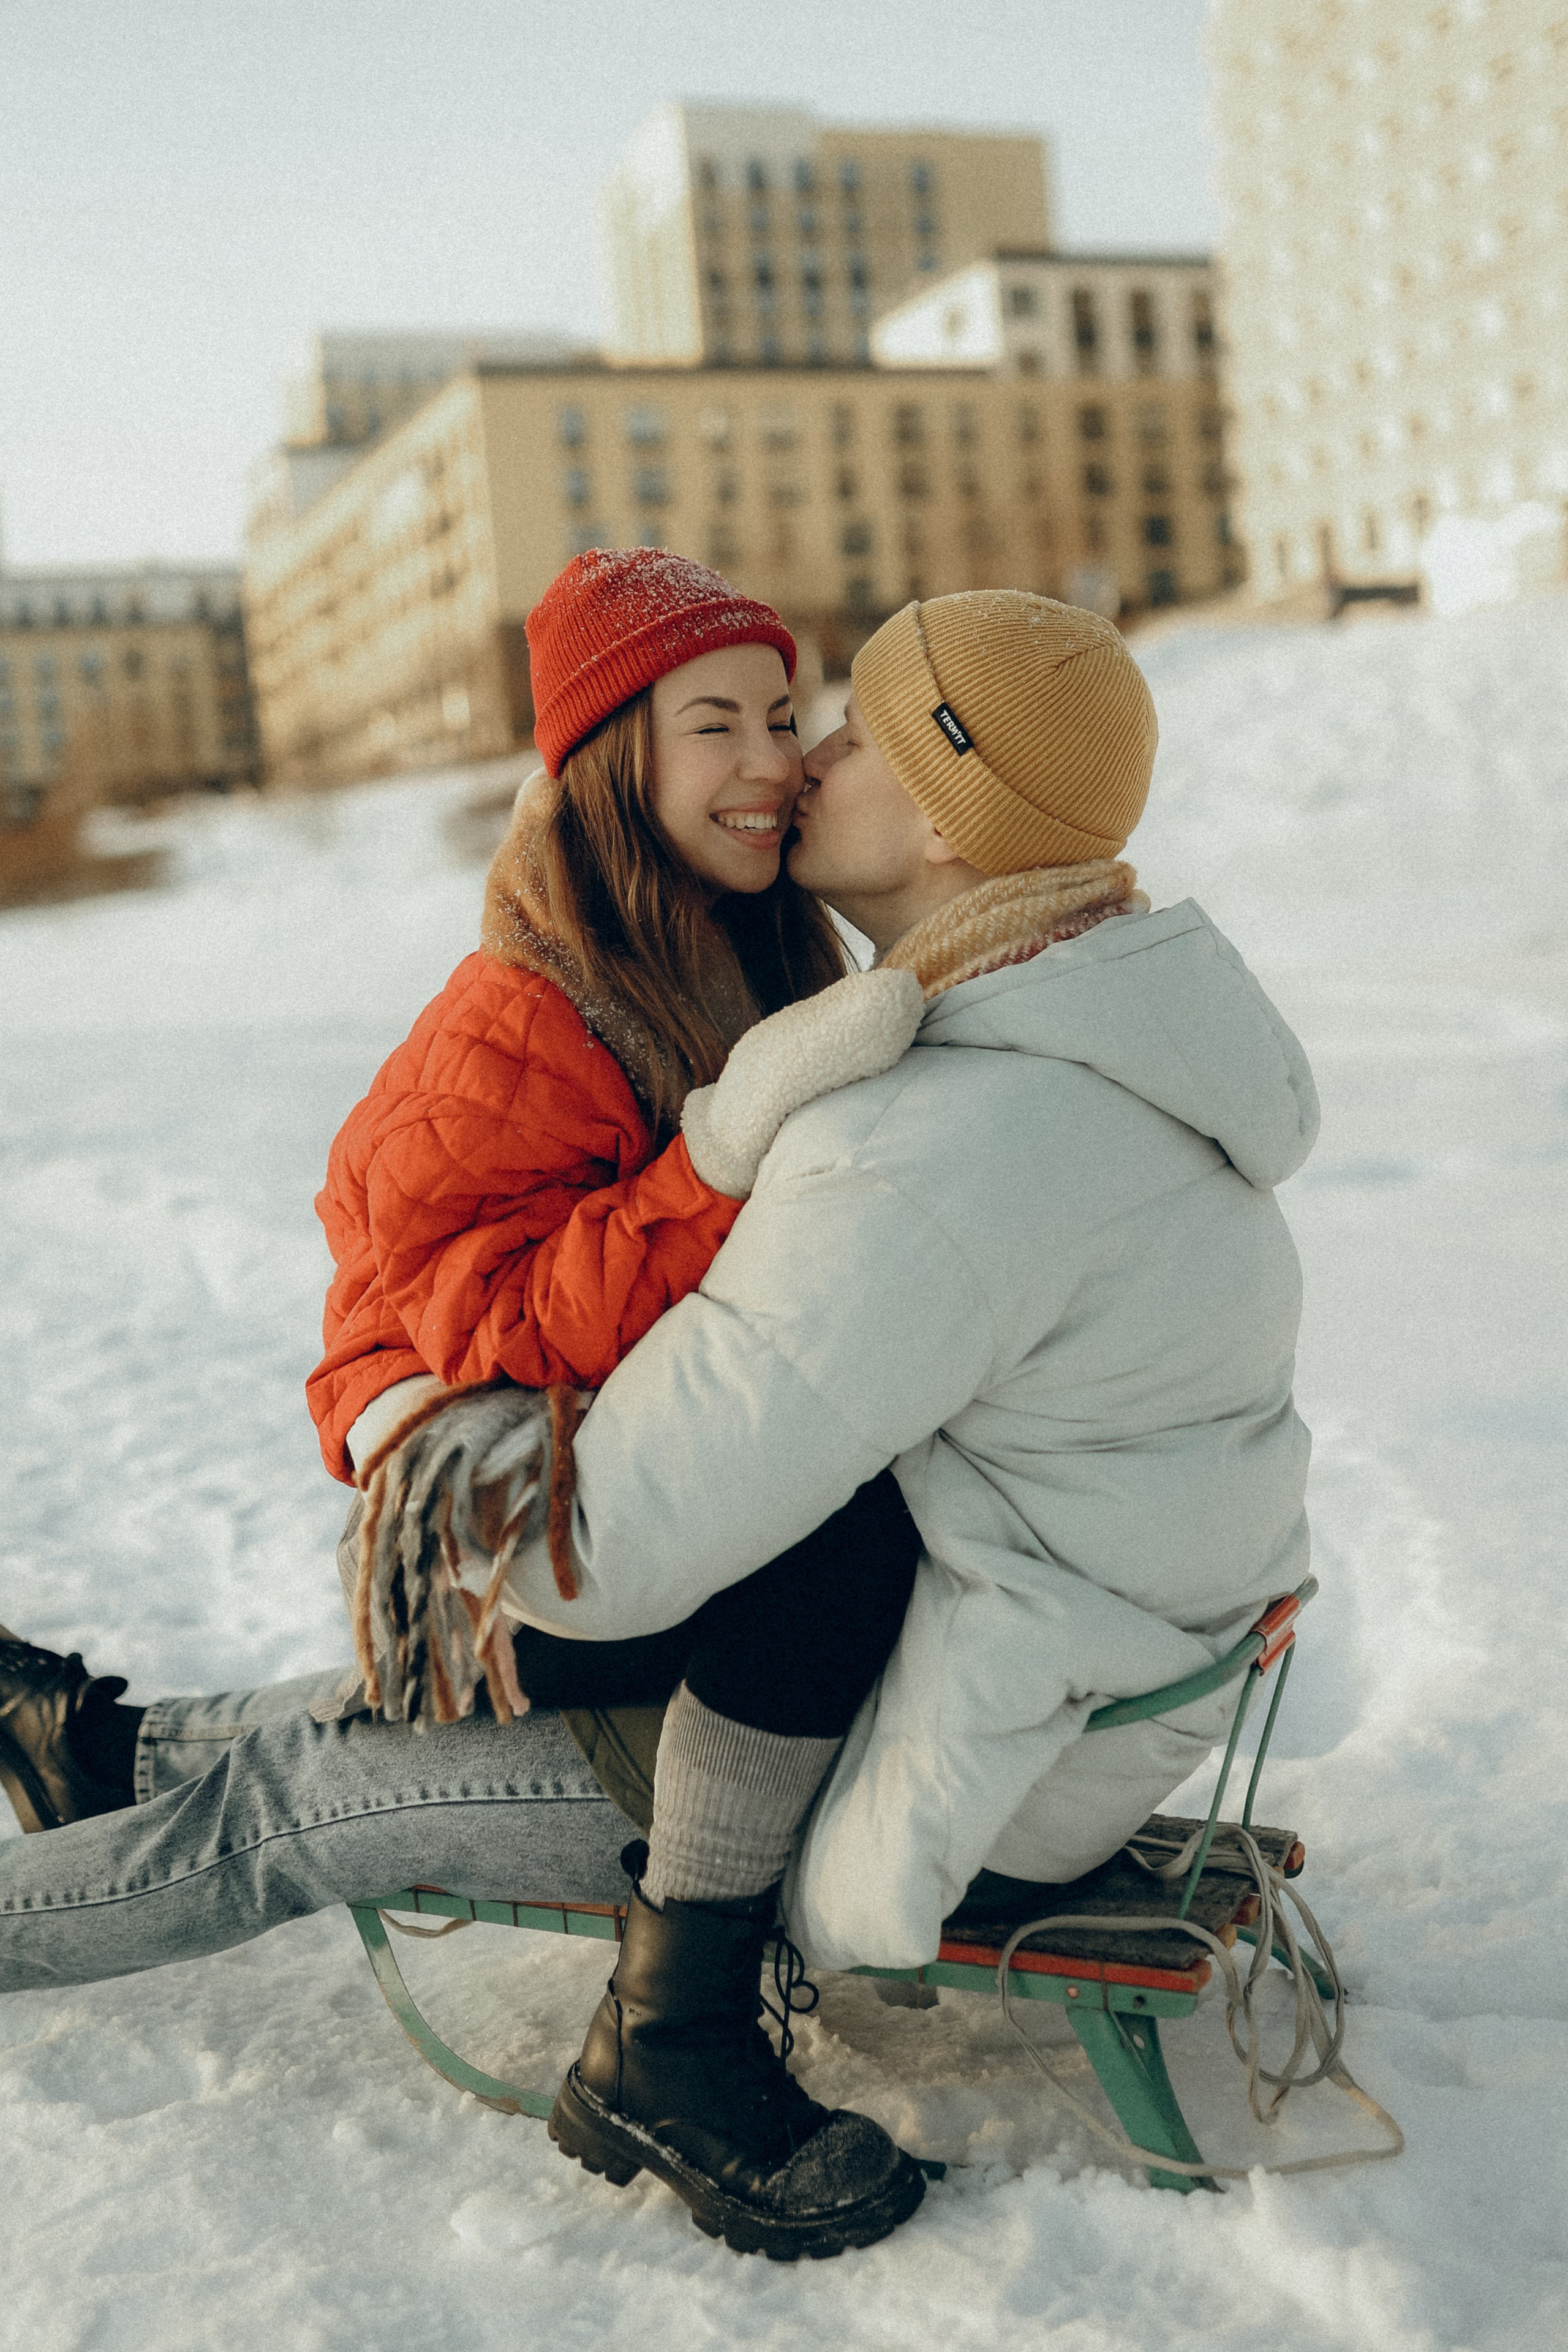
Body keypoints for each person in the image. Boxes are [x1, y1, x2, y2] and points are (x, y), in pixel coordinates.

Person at [0, 587, 1318, 2263]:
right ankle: (95, 1756)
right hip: (912, 1640)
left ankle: (664, 2033)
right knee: (348, 1754)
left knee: (311, 1787)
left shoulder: (912, 1115)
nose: (794, 760)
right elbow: (425, 1252)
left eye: (825, 727)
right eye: (747, 724)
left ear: (941, 815)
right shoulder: (1081, 1032)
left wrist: (495, 1455)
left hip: (905, 1709)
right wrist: (409, 1409)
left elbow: (607, 1548)